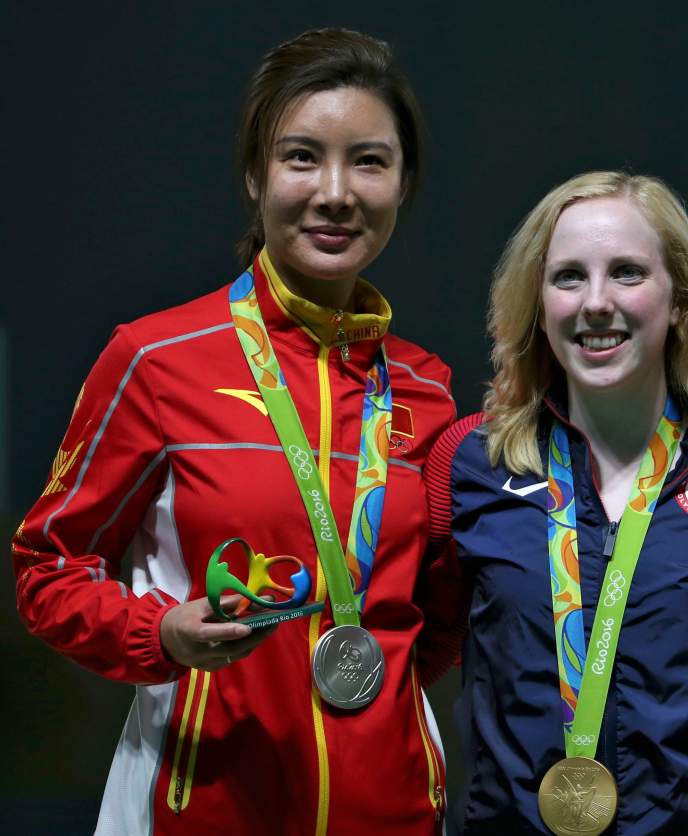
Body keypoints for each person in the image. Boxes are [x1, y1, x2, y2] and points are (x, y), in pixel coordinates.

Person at [11, 28, 455, 834]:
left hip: (392, 811)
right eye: (300, 157)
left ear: (403, 183)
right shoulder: (154, 359)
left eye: (368, 160)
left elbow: (437, 617)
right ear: (255, 175)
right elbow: (48, 569)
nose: (335, 191)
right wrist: (158, 633)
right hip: (206, 806)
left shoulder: (428, 390)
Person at [420, 171, 688, 834]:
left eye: (628, 272)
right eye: (568, 276)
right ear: (537, 302)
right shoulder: (469, 464)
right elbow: (430, 648)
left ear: (680, 298)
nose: (596, 302)